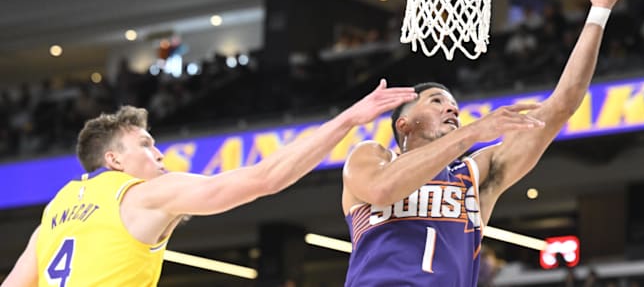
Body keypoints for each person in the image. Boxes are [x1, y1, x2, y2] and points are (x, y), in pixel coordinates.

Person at [341, 0, 644, 286]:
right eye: (436, 101)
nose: (451, 110)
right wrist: (475, 131)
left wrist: (600, 13)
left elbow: (562, 106)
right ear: (403, 124)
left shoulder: (475, 176)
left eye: (455, 106)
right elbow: (384, 188)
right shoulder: (370, 157)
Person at [1, 79, 417, 287]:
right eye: (146, 144)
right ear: (114, 159)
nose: (159, 154)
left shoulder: (53, 212)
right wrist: (346, 121)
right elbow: (265, 178)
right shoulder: (145, 194)